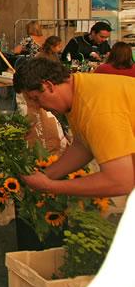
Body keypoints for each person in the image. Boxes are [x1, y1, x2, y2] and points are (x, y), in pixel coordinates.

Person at [13, 57, 135, 197]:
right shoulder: (78, 88)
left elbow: (120, 181)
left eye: (35, 99)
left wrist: (50, 186)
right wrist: (46, 175)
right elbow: (82, 145)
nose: (36, 106)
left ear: (49, 86)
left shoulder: (95, 110)